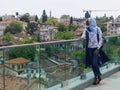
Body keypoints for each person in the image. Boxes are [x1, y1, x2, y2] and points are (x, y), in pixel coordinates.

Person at [81, 17, 107, 85]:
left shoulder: (97, 29)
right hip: (89, 49)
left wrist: (98, 49)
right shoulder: (86, 29)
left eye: (88, 22)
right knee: (92, 64)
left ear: (91, 22)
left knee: (94, 63)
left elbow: (101, 39)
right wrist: (82, 37)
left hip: (95, 49)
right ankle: (97, 77)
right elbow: (83, 35)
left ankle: (99, 75)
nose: (87, 23)